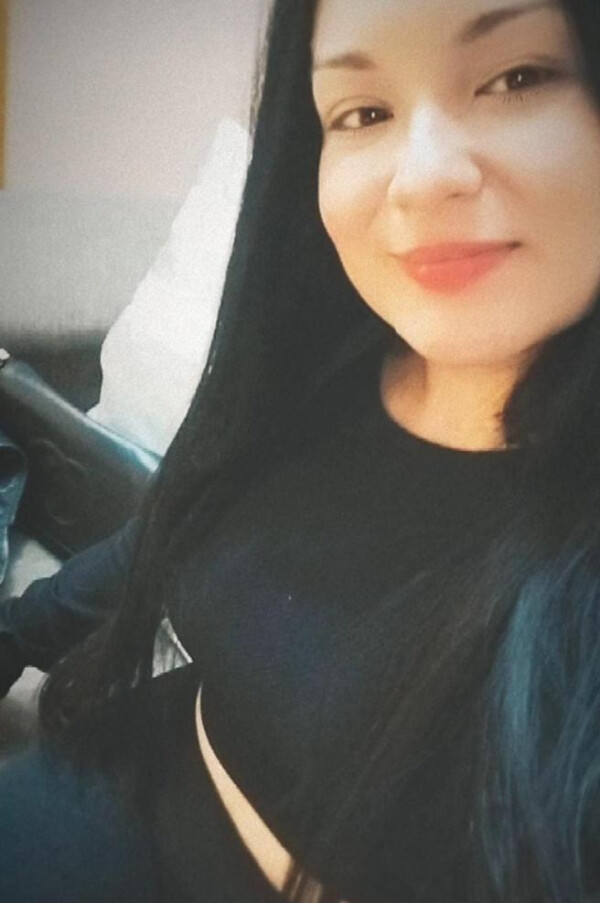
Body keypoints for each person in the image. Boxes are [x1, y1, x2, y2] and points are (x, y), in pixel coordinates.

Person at [1, 0, 600, 900]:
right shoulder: (318, 372)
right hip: (111, 773)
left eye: (519, 75)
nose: (419, 177)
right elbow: (172, 535)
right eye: (363, 111)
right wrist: (14, 634)